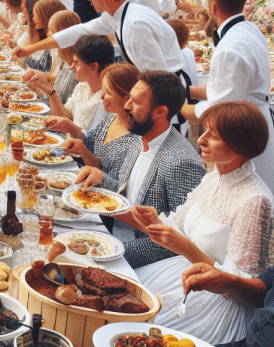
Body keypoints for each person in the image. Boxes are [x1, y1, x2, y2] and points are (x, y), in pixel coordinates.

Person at [130, 102, 274, 345]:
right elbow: (180, 224)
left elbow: (238, 288)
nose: (201, 140)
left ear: (241, 146)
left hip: (215, 306)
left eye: (214, 136)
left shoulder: (254, 200)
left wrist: (185, 248)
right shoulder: (214, 176)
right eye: (204, 130)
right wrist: (155, 221)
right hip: (178, 274)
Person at [77, 70, 205, 268]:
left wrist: (112, 255)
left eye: (135, 102)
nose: (127, 106)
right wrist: (101, 177)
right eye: (128, 99)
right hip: (113, 232)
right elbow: (126, 195)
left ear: (160, 112)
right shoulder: (138, 138)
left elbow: (177, 241)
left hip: (144, 260)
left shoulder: (181, 163)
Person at [181, 0, 274, 195]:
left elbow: (220, 107)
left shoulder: (229, 47)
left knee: (244, 199)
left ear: (213, 6)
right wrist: (187, 90)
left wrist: (180, 105)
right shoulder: (251, 29)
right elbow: (230, 87)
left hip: (242, 133)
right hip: (255, 117)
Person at [15, 0, 185, 78]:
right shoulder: (116, 15)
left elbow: (157, 75)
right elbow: (76, 32)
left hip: (167, 95)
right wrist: (31, 48)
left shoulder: (134, 24)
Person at [61, 63, 139, 176]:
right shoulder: (111, 117)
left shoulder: (134, 140)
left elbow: (113, 184)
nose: (101, 97)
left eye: (108, 92)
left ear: (127, 98)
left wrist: (83, 151)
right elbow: (89, 144)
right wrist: (70, 128)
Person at [27, 34, 114, 135]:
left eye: (77, 63)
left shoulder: (107, 101)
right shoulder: (83, 86)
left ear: (93, 67)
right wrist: (48, 90)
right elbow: (64, 117)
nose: (71, 67)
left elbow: (91, 144)